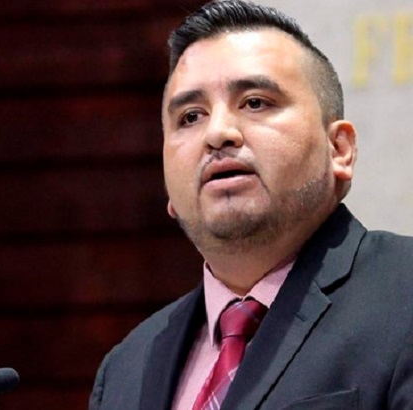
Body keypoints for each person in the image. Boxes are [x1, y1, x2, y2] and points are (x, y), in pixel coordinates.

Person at [89, 1, 413, 409]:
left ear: (339, 149)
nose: (218, 133)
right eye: (190, 117)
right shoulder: (125, 370)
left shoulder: (403, 294)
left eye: (255, 102)